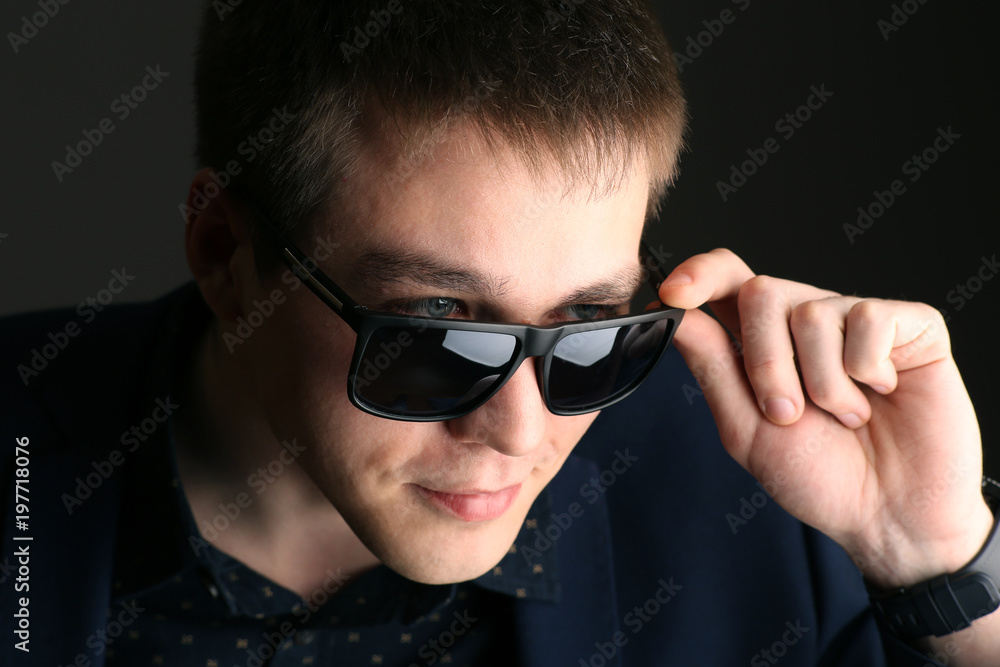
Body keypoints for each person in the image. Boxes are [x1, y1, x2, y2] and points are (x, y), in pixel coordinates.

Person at [2, 1, 998, 665]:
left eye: (586, 321)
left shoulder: (761, 494)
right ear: (225, 252)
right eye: (436, 326)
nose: (521, 433)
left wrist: (938, 557)